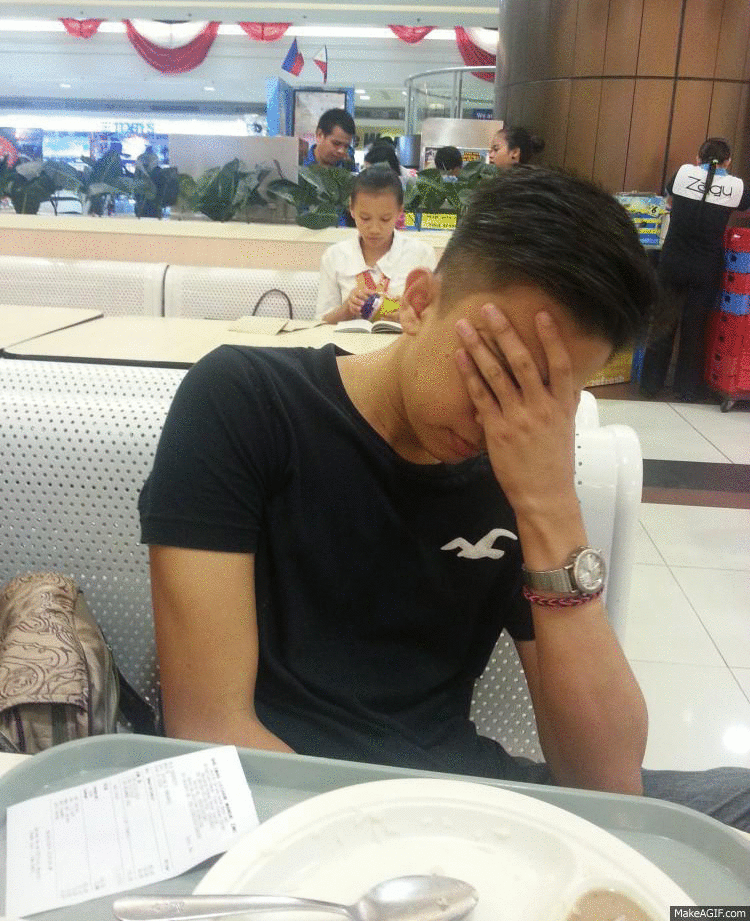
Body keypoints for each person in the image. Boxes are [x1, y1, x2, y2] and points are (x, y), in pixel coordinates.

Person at [139, 166, 750, 831]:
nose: (502, 418)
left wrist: (549, 508)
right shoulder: (245, 403)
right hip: (290, 804)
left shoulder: (522, 470)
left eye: (546, 394)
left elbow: (607, 783)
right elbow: (209, 729)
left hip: (463, 794)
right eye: (495, 369)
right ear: (419, 303)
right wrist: (412, 854)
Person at [639, 137, 750, 402]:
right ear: (728, 162)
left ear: (698, 158)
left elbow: (668, 200)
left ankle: (651, 384)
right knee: (695, 329)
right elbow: (745, 209)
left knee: (664, 322)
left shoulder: (682, 174)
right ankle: (687, 389)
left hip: (672, 261)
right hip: (706, 266)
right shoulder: (736, 186)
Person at [315, 166, 435, 323]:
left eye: (385, 219)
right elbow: (320, 322)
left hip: (400, 339)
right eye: (365, 218)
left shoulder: (421, 255)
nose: (374, 229)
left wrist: (405, 317)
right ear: (352, 209)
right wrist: (347, 309)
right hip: (347, 339)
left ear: (400, 212)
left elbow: (434, 319)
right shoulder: (334, 256)